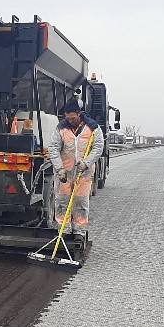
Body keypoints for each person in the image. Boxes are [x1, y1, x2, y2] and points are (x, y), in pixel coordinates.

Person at [46, 98, 104, 234]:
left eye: (72, 118)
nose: (70, 121)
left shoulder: (93, 128)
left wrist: (87, 162)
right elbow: (53, 148)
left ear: (79, 114)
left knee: (80, 202)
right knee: (61, 201)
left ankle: (79, 231)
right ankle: (63, 230)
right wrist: (59, 169)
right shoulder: (61, 128)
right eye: (68, 118)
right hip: (64, 173)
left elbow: (98, 147)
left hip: (83, 173)